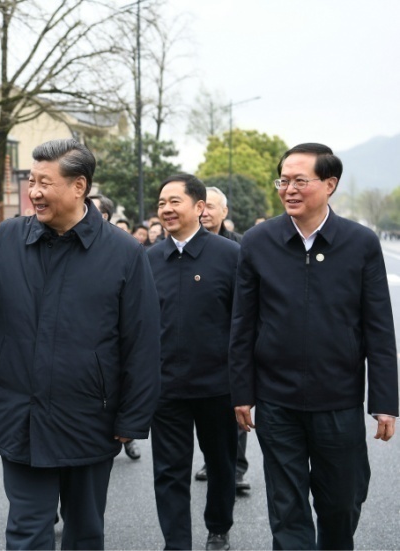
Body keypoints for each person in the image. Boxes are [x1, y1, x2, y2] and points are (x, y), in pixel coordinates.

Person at [0, 138, 161, 550]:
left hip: (89, 418)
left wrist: (131, 420)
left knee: (84, 532)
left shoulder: (124, 253)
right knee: (26, 532)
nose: (34, 192)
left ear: (79, 186)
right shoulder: (10, 237)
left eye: (45, 182)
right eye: (31, 181)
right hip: (21, 416)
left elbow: (143, 342)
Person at [230, 143, 399, 550]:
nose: (288, 189)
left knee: (342, 502)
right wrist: (242, 392)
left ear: (329, 184)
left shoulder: (360, 243)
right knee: (287, 509)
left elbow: (378, 327)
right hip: (277, 400)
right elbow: (243, 323)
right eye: (283, 180)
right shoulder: (257, 241)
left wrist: (385, 401)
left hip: (337, 400)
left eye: (299, 181)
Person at [147, 174, 240, 551]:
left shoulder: (230, 255)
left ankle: (218, 525)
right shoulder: (148, 259)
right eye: (161, 203)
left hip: (218, 387)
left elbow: (244, 322)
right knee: (169, 472)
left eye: (174, 201)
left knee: (221, 463)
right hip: (166, 388)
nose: (166, 209)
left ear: (199, 207)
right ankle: (177, 542)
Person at [194, 187, 250, 491]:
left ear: (224, 212)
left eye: (211, 207)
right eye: (201, 207)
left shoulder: (240, 247)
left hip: (232, 346)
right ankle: (214, 461)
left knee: (235, 413)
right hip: (199, 348)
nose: (205, 213)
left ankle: (237, 468)